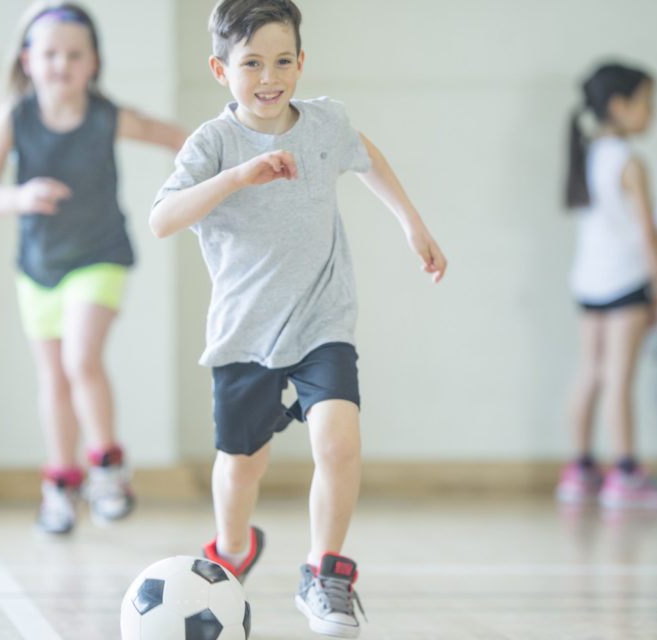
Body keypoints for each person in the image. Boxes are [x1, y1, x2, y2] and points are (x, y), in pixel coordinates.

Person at [150, 1, 446, 636]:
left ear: (302, 63)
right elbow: (163, 218)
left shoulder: (323, 123)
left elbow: (364, 152)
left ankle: (324, 572)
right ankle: (232, 550)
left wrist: (410, 222)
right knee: (241, 466)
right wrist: (237, 178)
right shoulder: (214, 143)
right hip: (244, 334)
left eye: (284, 60)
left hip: (322, 321)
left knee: (338, 442)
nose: (270, 76)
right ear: (220, 69)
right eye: (252, 63)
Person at [0, 2, 188, 535]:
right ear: (28, 60)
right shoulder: (13, 119)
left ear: (93, 63)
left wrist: (195, 181)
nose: (61, 64)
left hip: (99, 255)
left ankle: (107, 467)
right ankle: (60, 484)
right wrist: (19, 196)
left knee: (83, 359)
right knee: (54, 375)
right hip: (38, 266)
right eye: (50, 54)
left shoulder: (108, 117)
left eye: (74, 55)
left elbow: (178, 139)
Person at [556, 62, 657, 509]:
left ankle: (580, 468)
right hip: (626, 281)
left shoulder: (588, 151)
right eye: (648, 102)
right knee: (619, 377)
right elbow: (648, 234)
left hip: (588, 282)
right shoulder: (629, 160)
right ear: (619, 106)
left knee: (591, 372)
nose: (653, 113)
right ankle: (625, 473)